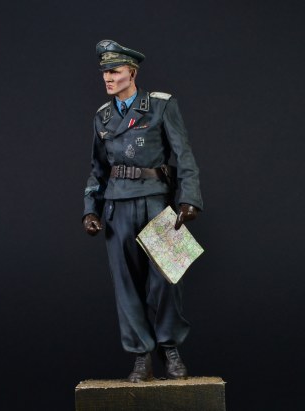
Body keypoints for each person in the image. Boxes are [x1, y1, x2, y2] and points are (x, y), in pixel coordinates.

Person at [82, 39, 203, 382]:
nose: (108, 78)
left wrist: (189, 199)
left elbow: (184, 154)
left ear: (132, 73)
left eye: (115, 71)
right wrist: (90, 210)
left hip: (157, 203)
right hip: (117, 206)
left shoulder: (161, 106)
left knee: (168, 279)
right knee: (127, 286)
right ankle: (140, 355)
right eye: (105, 72)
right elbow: (97, 169)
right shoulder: (102, 117)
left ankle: (170, 347)